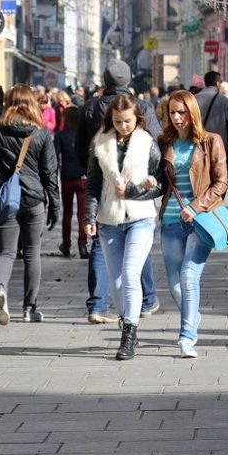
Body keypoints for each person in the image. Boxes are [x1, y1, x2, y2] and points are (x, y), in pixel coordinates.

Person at [76, 60, 161, 324]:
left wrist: (96, 173)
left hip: (107, 191)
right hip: (124, 192)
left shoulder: (89, 107)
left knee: (103, 251)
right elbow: (156, 146)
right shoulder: (143, 106)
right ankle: (146, 301)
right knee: (132, 255)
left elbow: (81, 147)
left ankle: (97, 305)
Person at [84, 94, 163, 360]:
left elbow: (158, 183)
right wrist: (88, 218)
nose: (123, 126)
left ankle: (129, 331)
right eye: (117, 121)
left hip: (141, 218)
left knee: (130, 274)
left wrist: (133, 190)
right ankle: (125, 317)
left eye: (127, 121)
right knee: (117, 280)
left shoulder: (147, 143)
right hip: (109, 220)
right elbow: (93, 185)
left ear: (137, 118)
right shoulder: (100, 142)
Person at [0, 84, 60, 325]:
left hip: (6, 201)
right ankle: (29, 308)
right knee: (32, 253)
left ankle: (0, 288)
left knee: (6, 252)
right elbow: (50, 173)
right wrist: (55, 206)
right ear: (32, 103)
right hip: (34, 200)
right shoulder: (41, 133)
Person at [158, 90, 228, 358]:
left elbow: (221, 182)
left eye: (181, 112)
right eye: (172, 113)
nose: (176, 118)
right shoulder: (164, 142)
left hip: (200, 220)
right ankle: (193, 315)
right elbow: (159, 181)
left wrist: (196, 206)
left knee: (189, 277)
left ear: (192, 112)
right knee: (175, 285)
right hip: (170, 221)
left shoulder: (211, 142)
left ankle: (186, 336)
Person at [55, 106, 88, 259]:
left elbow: (55, 157)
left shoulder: (61, 136)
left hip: (67, 177)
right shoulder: (84, 135)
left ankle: (66, 244)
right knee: (83, 214)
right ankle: (82, 244)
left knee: (67, 213)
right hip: (82, 177)